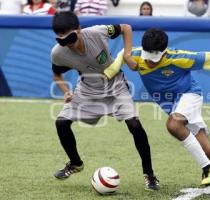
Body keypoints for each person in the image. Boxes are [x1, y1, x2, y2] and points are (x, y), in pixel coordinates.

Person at [106, 28, 210, 191]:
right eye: (148, 57)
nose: (149, 62)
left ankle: (207, 169)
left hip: (190, 96)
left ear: (164, 52)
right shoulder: (136, 55)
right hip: (174, 106)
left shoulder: (179, 58)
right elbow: (121, 55)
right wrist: (109, 72)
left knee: (173, 125)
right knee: (208, 150)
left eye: (154, 59)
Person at [50, 11, 159, 190]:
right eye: (61, 40)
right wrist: (66, 91)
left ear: (79, 29)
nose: (67, 44)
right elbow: (56, 74)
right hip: (87, 89)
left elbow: (126, 28)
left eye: (70, 38)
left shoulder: (97, 32)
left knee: (135, 125)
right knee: (61, 123)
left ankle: (150, 174)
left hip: (115, 84)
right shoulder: (57, 53)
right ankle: (75, 163)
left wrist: (127, 55)